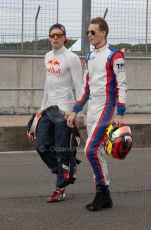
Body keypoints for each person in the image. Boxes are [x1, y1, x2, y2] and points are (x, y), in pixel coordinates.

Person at [67, 17, 127, 211]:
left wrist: (120, 113)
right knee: (98, 152)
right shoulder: (90, 56)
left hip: (106, 107)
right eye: (88, 32)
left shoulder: (115, 55)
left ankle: (102, 193)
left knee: (90, 150)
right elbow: (86, 87)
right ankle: (104, 195)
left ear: (103, 33)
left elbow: (122, 85)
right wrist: (76, 110)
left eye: (92, 32)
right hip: (92, 108)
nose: (89, 35)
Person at [29, 23, 83, 203]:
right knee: (41, 146)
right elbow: (48, 84)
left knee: (61, 151)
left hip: (64, 110)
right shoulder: (47, 56)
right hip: (49, 108)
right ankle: (69, 167)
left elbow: (79, 87)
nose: (55, 38)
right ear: (49, 37)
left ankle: (60, 187)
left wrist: (77, 112)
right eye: (52, 35)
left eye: (59, 35)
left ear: (65, 37)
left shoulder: (72, 58)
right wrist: (41, 107)